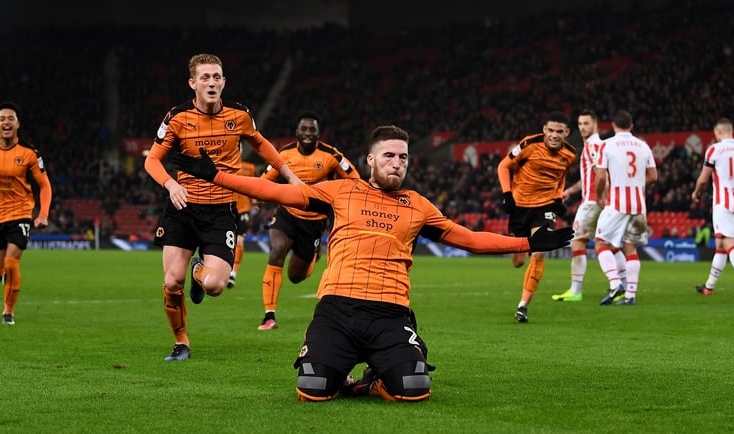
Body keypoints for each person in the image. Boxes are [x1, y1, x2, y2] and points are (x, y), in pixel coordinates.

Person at [172, 125, 573, 402]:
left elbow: (468, 239)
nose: (397, 162)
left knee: (414, 388)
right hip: (337, 310)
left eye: (403, 157)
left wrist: (528, 242)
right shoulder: (339, 192)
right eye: (389, 156)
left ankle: (372, 381)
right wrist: (217, 176)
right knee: (312, 389)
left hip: (390, 313)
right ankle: (333, 367)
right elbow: (272, 191)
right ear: (370, 159)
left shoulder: (418, 205)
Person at [144, 53, 301, 362]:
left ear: (224, 82)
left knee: (215, 286)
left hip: (221, 211)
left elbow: (260, 143)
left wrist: (290, 175)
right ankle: (181, 342)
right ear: (193, 83)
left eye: (217, 77)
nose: (212, 82)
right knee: (172, 282)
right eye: (205, 77)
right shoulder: (177, 117)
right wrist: (171, 185)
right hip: (183, 207)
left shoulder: (239, 115)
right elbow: (152, 160)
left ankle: (198, 269)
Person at [257, 111, 360, 331]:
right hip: (286, 214)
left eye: (312, 129)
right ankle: (269, 316)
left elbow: (355, 180)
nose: (307, 133)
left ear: (318, 133)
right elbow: (266, 178)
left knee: (296, 277)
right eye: (303, 129)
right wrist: (258, 196)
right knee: (276, 251)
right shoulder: (284, 154)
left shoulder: (331, 155)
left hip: (313, 222)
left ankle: (312, 257)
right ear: (296, 132)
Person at [0, 102, 53, 325]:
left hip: (20, 214)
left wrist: (43, 214)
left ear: (18, 124)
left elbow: (44, 185)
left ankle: (8, 313)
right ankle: (1, 276)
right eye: (2, 119)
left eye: (10, 118)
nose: (6, 122)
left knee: (11, 263)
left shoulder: (29, 153)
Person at [497, 111, 576, 322]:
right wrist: (507, 194)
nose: (554, 135)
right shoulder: (529, 144)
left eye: (559, 131)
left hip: (545, 207)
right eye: (551, 130)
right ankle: (521, 253)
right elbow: (503, 166)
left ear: (567, 133)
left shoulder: (570, 154)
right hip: (520, 207)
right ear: (544, 130)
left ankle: (523, 306)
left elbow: (561, 178)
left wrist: (557, 198)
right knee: (518, 261)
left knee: (540, 250)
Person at [595, 110, 657, 306]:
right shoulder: (643, 146)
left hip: (617, 203)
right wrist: (637, 186)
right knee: (630, 248)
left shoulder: (606, 145)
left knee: (601, 242)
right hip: (638, 204)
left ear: (613, 125)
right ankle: (630, 295)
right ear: (631, 126)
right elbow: (654, 176)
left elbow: (601, 176)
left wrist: (599, 196)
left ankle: (615, 285)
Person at [691, 118, 734, 296]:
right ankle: (709, 287)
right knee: (720, 244)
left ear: (719, 132)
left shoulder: (714, 149)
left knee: (729, 243)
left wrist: (696, 193)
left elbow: (703, 179)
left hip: (723, 203)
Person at [553, 109, 610, 302]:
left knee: (577, 242)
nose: (583, 127)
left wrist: (600, 196)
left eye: (586, 123)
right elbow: (590, 178)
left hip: (592, 202)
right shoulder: (600, 146)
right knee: (610, 245)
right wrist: (570, 191)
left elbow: (601, 175)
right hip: (600, 201)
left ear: (595, 125)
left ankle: (575, 290)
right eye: (580, 124)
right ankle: (621, 286)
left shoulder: (593, 146)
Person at [227, 159, 257, 289]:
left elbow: (252, 186)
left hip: (243, 209)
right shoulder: (225, 164)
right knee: (227, 241)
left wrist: (254, 200)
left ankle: (233, 274)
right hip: (228, 208)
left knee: (239, 241)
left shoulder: (250, 167)